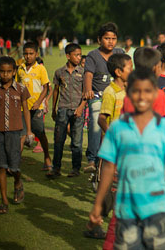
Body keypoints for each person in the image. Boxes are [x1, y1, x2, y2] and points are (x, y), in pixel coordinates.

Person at [88, 69, 165, 248]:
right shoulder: (117, 128)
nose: (142, 96)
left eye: (147, 91)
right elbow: (109, 167)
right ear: (129, 96)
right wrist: (98, 204)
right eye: (136, 91)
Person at [0, 57, 31, 214]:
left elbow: (25, 110)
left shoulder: (21, 89)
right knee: (1, 167)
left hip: (15, 131)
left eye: (9, 72)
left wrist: (29, 131)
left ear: (14, 72)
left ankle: (18, 183)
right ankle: (4, 201)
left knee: (14, 166)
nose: (5, 75)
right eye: (2, 71)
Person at [83, 22, 124, 173]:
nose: (110, 41)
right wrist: (88, 90)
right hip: (98, 96)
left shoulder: (119, 52)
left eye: (113, 38)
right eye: (107, 38)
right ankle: (92, 159)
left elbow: (127, 71)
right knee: (95, 123)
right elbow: (88, 74)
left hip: (117, 96)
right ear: (99, 39)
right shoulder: (93, 55)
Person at [49, 43, 87, 178]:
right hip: (63, 110)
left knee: (76, 142)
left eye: (80, 55)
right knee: (59, 140)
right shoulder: (59, 72)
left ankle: (75, 168)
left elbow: (86, 92)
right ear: (68, 56)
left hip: (77, 110)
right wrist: (53, 109)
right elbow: (56, 90)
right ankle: (56, 169)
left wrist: (81, 107)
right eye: (76, 55)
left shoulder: (83, 73)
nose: (79, 58)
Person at [16, 41, 52, 169]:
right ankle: (15, 164)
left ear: (36, 54)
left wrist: (38, 102)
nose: (28, 56)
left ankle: (47, 157)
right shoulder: (19, 69)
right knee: (21, 134)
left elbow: (45, 88)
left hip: (37, 108)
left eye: (31, 54)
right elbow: (16, 87)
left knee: (40, 133)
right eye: (25, 54)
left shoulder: (41, 68)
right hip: (22, 107)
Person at [97, 54, 133, 133]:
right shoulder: (110, 92)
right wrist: (111, 135)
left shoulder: (129, 90)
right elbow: (101, 119)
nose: (132, 71)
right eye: (130, 69)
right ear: (118, 72)